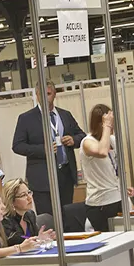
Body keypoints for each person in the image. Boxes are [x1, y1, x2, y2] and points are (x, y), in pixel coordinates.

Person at [12, 80, 86, 216]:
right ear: (37, 95)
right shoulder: (26, 118)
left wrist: (73, 140)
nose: (46, 98)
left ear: (55, 94)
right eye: (42, 94)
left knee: (67, 215)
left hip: (65, 174)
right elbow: (17, 146)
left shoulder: (65, 115)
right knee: (48, 218)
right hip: (42, 177)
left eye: (49, 94)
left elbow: (82, 135)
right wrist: (43, 149)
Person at [80, 105, 125, 232]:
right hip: (100, 203)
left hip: (117, 197)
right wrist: (107, 126)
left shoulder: (112, 140)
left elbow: (114, 167)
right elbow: (102, 151)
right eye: (110, 123)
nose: (112, 126)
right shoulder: (87, 142)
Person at [2, 178, 56, 246]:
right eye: (23, 195)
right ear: (11, 201)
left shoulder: (30, 215)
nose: (29, 197)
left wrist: (40, 239)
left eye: (29, 193)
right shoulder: (5, 220)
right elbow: (15, 242)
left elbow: (35, 239)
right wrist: (37, 239)